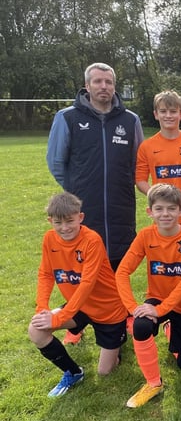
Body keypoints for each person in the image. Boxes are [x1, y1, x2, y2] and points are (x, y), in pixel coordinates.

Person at [47, 62, 143, 345]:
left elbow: (138, 162)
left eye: (109, 82)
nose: (104, 86)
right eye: (98, 81)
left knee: (115, 262)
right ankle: (77, 322)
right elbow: (56, 162)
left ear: (114, 86)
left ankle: (116, 321)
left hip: (120, 205)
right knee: (82, 267)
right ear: (87, 86)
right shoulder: (67, 117)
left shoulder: (130, 120)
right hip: (84, 208)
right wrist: (77, 192)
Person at [29, 192, 128, 397]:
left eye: (70, 221)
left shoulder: (91, 240)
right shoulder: (49, 238)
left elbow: (87, 284)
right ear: (50, 221)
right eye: (58, 222)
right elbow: (46, 274)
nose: (64, 228)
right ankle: (73, 373)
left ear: (80, 218)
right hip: (79, 306)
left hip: (108, 310)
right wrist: (42, 309)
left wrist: (60, 317)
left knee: (105, 372)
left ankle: (119, 339)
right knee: (36, 330)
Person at [116, 184, 181, 408]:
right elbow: (122, 272)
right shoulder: (146, 235)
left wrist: (161, 310)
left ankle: (170, 329)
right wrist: (134, 308)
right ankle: (154, 383)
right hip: (157, 299)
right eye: (159, 209)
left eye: (171, 209)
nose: (165, 214)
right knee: (141, 326)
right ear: (150, 212)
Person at [136, 90, 181, 231]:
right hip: (162, 217)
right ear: (156, 114)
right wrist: (159, 199)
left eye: (173, 111)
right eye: (163, 111)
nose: (168, 115)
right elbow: (140, 179)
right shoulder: (147, 146)